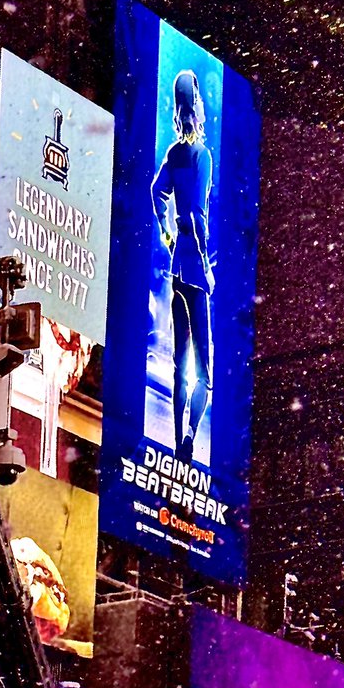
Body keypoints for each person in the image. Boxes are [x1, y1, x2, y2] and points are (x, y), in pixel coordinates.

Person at [151, 69, 214, 462]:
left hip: (177, 268)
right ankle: (189, 432)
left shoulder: (174, 154)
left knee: (179, 364)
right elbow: (197, 215)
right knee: (204, 371)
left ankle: (178, 441)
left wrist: (165, 230)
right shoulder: (202, 155)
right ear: (195, 105)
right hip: (194, 267)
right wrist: (206, 263)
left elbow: (157, 191)